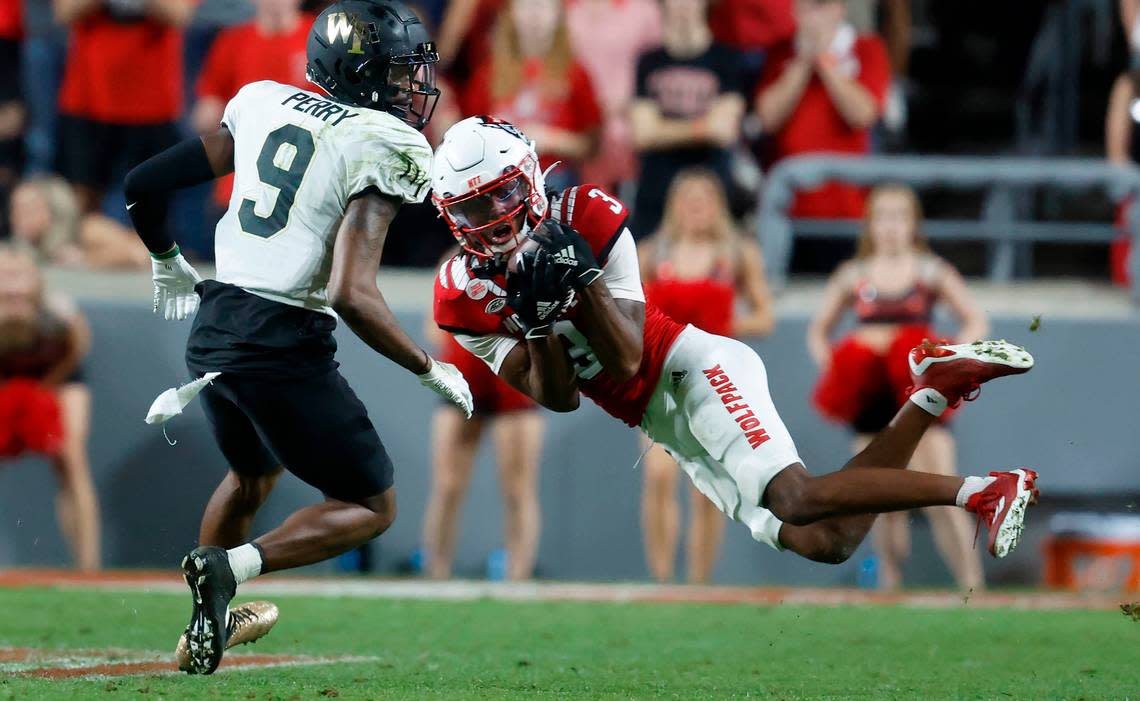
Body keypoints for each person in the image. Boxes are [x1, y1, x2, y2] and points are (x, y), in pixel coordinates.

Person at [430, 116, 1039, 583]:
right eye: (473, 207)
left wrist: (581, 280)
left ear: (530, 178)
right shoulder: (460, 295)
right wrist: (537, 324)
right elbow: (559, 399)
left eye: (501, 195)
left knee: (797, 497)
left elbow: (627, 359)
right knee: (827, 542)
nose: (494, 218)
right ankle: (932, 392)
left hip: (692, 370)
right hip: (659, 420)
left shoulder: (585, 214)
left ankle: (982, 490)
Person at [122, 1, 472, 674]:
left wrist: (166, 259)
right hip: (282, 337)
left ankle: (208, 622)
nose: (411, 87)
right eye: (398, 73)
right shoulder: (386, 141)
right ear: (359, 72)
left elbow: (142, 186)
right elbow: (352, 291)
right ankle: (229, 568)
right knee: (371, 505)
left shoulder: (261, 101)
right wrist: (428, 366)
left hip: (215, 323)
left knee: (252, 474)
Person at [807, 184, 988, 591]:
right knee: (878, 492)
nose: (890, 227)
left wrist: (952, 360)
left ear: (913, 224)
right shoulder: (852, 275)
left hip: (916, 388)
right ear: (870, 224)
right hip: (870, 391)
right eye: (882, 216)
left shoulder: (931, 271)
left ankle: (972, 582)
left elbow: (975, 319)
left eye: (899, 217)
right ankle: (889, 581)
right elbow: (819, 331)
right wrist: (835, 367)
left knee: (942, 484)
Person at [636, 168, 773, 583]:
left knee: (707, 485)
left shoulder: (736, 254)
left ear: (719, 207)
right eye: (687, 198)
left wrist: (717, 327)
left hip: (715, 377)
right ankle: (662, 578)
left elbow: (764, 315)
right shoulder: (651, 252)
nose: (696, 207)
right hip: (659, 376)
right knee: (658, 476)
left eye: (704, 198)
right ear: (673, 207)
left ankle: (699, 581)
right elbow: (627, 313)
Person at [421, 248, 545, 580]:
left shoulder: (530, 257)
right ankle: (436, 572)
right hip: (466, 374)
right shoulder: (455, 262)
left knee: (518, 488)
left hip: (514, 378)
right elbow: (435, 328)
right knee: (447, 484)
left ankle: (518, 575)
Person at [0, 247, 100, 571]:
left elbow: (76, 350)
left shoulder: (60, 315)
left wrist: (41, 395)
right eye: (5, 277)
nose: (13, 287)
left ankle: (88, 568)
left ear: (36, 281)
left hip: (54, 377)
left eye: (19, 276)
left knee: (71, 456)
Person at [52, 0, 195, 214]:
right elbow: (64, 12)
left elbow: (179, 14)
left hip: (152, 104)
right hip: (88, 98)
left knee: (150, 213)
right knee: (79, 205)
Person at [754, 0, 890, 219]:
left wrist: (825, 61)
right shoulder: (780, 51)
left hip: (847, 202)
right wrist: (803, 62)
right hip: (788, 203)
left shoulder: (867, 47)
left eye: (821, 5)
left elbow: (863, 114)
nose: (813, 16)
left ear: (840, 8)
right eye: (806, 7)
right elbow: (768, 119)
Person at [629, 0, 745, 239]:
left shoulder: (727, 59)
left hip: (712, 182)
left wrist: (663, 130)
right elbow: (642, 134)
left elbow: (724, 130)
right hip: (656, 187)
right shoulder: (648, 61)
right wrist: (703, 127)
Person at [462, 0, 602, 191]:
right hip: (501, 178)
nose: (534, 14)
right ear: (511, 14)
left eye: (543, 6)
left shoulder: (575, 74)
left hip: (554, 176)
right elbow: (470, 133)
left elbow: (592, 144)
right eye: (526, 6)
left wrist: (552, 140)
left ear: (558, 15)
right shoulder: (488, 74)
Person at [191, 0, 316, 212]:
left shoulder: (320, 38)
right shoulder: (234, 40)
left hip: (304, 180)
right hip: (241, 180)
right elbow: (205, 110)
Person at [9, 176, 149, 269]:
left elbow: (140, 254)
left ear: (55, 209)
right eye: (15, 209)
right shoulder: (21, 250)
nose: (18, 217)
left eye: (28, 209)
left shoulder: (88, 228)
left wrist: (84, 259)